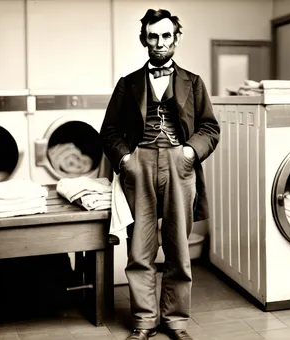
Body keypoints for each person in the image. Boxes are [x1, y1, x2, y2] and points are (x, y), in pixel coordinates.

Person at [100, 8, 220, 340]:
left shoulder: (193, 83)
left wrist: (189, 152)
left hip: (180, 166)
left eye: (166, 35)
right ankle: (144, 320)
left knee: (178, 248)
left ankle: (176, 321)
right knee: (140, 249)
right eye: (153, 36)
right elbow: (109, 131)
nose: (160, 42)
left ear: (176, 38)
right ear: (145, 39)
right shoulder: (128, 84)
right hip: (139, 166)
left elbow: (209, 128)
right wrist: (126, 160)